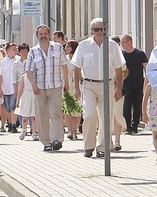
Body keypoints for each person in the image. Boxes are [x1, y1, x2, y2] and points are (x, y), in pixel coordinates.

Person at [71, 18, 126, 158]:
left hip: (107, 84)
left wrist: (119, 88)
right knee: (89, 114)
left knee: (105, 117)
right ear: (91, 31)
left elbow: (119, 68)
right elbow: (77, 68)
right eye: (96, 29)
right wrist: (76, 88)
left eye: (102, 29)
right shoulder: (84, 46)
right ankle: (88, 146)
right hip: (89, 84)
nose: (99, 32)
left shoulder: (113, 46)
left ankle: (102, 146)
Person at [26, 25, 69, 152]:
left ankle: (57, 140)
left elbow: (64, 66)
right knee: (42, 115)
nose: (43, 36)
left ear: (49, 35)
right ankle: (46, 142)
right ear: (37, 36)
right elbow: (29, 71)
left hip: (55, 86)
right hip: (39, 88)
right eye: (40, 34)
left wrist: (67, 83)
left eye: (45, 33)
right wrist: (34, 86)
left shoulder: (58, 48)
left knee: (55, 114)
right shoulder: (33, 51)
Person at [121, 33, 148, 135]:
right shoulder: (122, 54)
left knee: (137, 105)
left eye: (123, 42)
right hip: (126, 84)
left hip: (138, 83)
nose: (122, 45)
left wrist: (147, 81)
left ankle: (135, 126)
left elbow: (146, 67)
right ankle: (128, 126)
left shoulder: (140, 53)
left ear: (129, 42)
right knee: (126, 106)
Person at [0, 43, 21, 133]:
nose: (15, 51)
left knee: (13, 106)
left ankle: (13, 124)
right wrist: (0, 87)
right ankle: (10, 123)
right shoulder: (3, 62)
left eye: (16, 49)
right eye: (13, 49)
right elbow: (0, 76)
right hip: (6, 87)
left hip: (15, 88)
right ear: (8, 51)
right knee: (7, 107)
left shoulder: (18, 60)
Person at [63, 41, 82, 140]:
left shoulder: (78, 57)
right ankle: (70, 130)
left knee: (77, 109)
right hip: (67, 85)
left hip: (77, 85)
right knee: (67, 109)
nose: (66, 47)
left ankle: (75, 130)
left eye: (68, 46)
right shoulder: (64, 58)